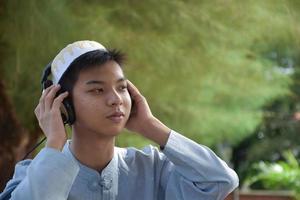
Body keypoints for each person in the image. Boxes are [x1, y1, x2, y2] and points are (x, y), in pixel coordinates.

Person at [0, 40, 238, 200]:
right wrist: (53, 142)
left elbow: (221, 181)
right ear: (64, 104)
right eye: (97, 90)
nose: (116, 100)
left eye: (121, 88)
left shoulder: (154, 167)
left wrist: (150, 126)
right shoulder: (32, 175)